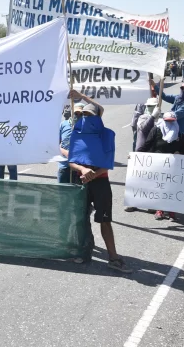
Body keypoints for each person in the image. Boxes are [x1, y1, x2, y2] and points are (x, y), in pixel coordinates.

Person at [68, 98, 132, 273]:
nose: (87, 118)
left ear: (98, 116)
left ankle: (113, 257)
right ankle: (83, 251)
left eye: (91, 115)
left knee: (105, 220)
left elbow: (107, 162)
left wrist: (93, 174)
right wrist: (82, 169)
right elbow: (71, 160)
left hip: (100, 181)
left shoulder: (106, 135)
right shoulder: (77, 133)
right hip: (80, 181)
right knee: (81, 219)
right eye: (84, 115)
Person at [138, 111, 184, 220]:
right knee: (159, 188)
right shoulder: (156, 131)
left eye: (172, 122)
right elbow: (146, 145)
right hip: (158, 166)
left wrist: (179, 154)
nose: (169, 124)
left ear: (176, 122)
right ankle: (159, 210)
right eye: (167, 122)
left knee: (172, 189)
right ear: (163, 121)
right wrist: (135, 155)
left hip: (173, 167)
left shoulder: (180, 135)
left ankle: (171, 212)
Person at [125, 98, 161, 212]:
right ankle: (132, 203)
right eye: (149, 106)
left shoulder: (160, 119)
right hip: (141, 152)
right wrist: (152, 117)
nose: (151, 108)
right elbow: (144, 128)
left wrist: (158, 119)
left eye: (153, 106)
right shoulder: (142, 117)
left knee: (151, 179)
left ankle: (151, 204)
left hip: (153, 152)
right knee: (137, 179)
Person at [152, 79, 184, 143]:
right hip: (172, 132)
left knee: (182, 152)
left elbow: (173, 116)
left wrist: (159, 115)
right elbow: (164, 96)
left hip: (183, 134)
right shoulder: (177, 98)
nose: (183, 90)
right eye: (182, 88)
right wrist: (154, 85)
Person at [58, 104, 83, 184]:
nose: (78, 116)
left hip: (79, 168)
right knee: (63, 194)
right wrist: (66, 153)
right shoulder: (63, 125)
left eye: (81, 114)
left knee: (77, 195)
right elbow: (55, 145)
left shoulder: (87, 127)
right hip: (64, 166)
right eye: (76, 113)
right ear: (72, 113)